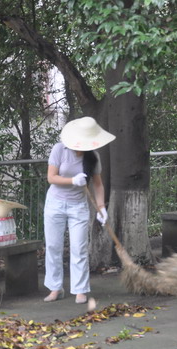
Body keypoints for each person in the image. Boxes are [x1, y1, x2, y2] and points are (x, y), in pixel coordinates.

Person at [43, 116, 115, 304]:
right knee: (53, 247)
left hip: (78, 206)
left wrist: (101, 208)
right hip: (55, 203)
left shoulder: (93, 156)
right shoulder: (59, 149)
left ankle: (80, 290)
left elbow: (98, 185)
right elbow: (51, 177)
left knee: (79, 248)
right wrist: (72, 180)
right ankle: (55, 288)